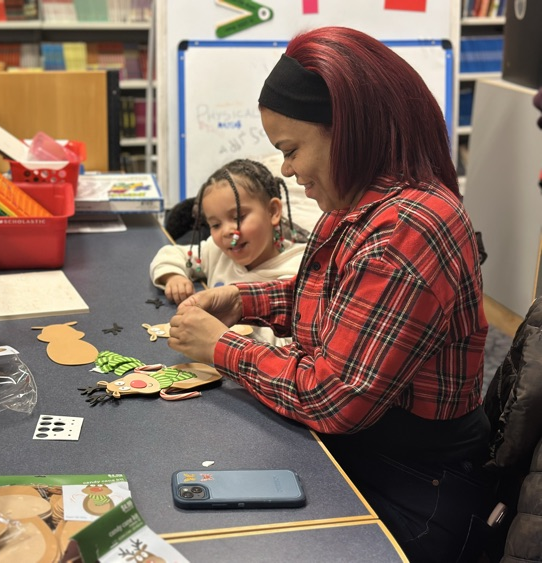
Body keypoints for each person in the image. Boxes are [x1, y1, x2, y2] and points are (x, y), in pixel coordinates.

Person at [167, 26, 495, 563]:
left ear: (349, 129)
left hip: (416, 490)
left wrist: (221, 347)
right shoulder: (361, 206)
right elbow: (335, 295)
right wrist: (243, 301)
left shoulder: (407, 230)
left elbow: (334, 398)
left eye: (292, 150)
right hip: (372, 453)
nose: (288, 170)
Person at [150, 158, 308, 345]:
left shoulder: (301, 267)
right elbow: (172, 254)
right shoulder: (217, 252)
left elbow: (289, 343)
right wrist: (174, 277)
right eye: (216, 224)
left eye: (238, 217)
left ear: (273, 211)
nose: (226, 232)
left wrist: (224, 330)